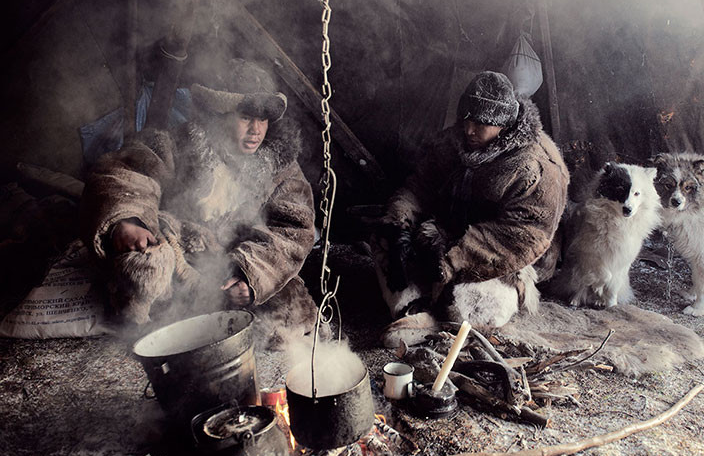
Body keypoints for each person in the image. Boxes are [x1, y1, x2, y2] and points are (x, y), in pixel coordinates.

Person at [80, 59, 317, 347]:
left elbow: (292, 229)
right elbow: (125, 175)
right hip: (185, 262)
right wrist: (129, 222)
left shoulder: (280, 166)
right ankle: (160, 331)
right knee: (147, 269)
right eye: (245, 117)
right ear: (219, 114)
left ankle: (223, 320)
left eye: (263, 119)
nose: (256, 129)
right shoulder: (180, 144)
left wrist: (250, 276)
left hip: (235, 267)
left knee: (290, 313)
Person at [372, 70, 569, 330]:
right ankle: (413, 306)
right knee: (385, 239)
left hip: (501, 257)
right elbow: (420, 186)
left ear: (504, 124)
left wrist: (453, 257)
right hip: (443, 239)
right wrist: (400, 224)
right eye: (465, 119)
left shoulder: (536, 167)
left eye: (480, 123)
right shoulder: (453, 141)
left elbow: (525, 235)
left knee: (471, 307)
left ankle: (438, 315)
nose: (469, 129)